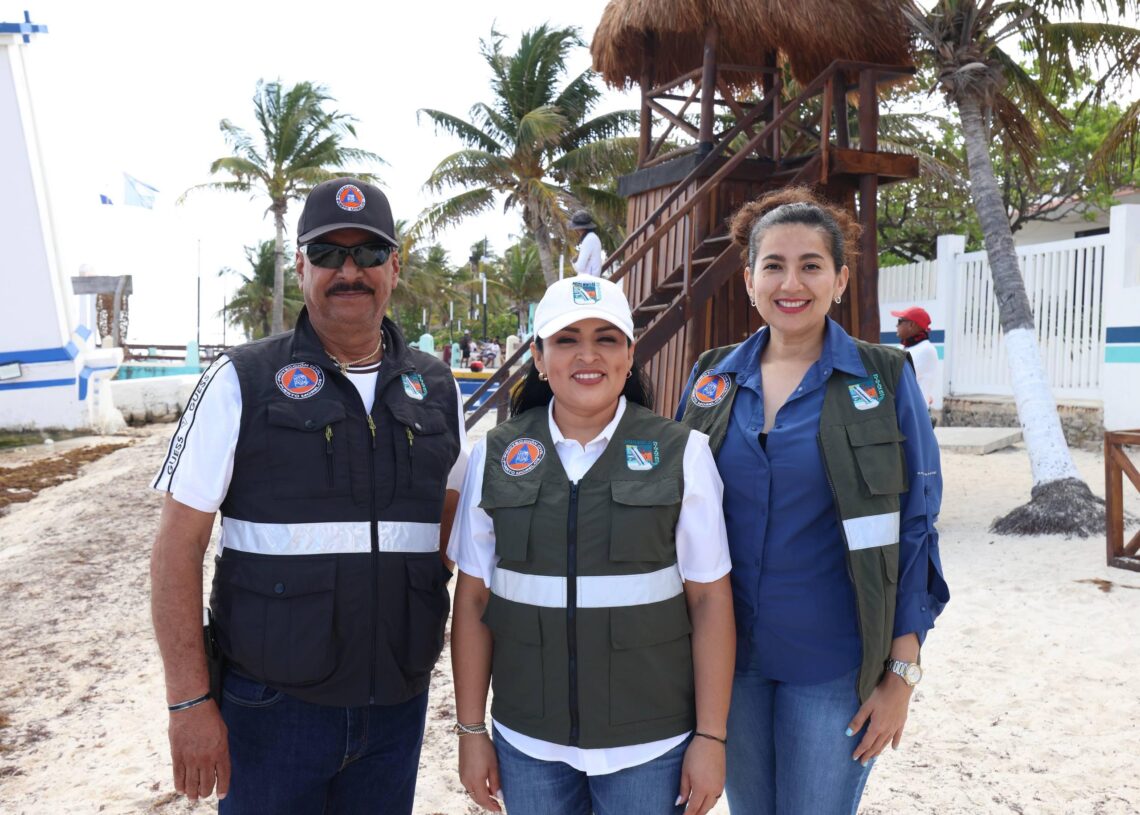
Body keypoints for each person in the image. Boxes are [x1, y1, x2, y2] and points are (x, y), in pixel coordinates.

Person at [150, 177, 469, 813]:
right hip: (270, 708)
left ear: (395, 267)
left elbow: (448, 525)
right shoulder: (241, 379)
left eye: (368, 253)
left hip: (398, 706)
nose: (349, 271)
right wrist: (188, 702)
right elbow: (176, 549)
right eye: (327, 254)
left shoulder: (437, 387)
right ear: (301, 268)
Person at [676, 188, 949, 814]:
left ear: (840, 279)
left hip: (834, 662)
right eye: (773, 265)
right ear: (749, 279)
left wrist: (902, 674)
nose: (791, 283)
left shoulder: (884, 378)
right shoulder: (712, 377)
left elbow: (915, 527)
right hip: (728, 662)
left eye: (811, 265)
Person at [449, 275, 736, 815]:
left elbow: (709, 600)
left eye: (606, 338)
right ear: (539, 357)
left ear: (630, 354)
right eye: (566, 339)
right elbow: (473, 599)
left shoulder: (684, 453)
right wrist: (470, 730)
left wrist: (711, 737)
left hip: (650, 744)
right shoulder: (495, 455)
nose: (588, 355)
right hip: (528, 743)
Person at [891, 306, 941, 417]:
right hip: (903, 410)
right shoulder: (902, 347)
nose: (896, 325)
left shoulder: (926, 349)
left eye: (900, 321)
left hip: (916, 413)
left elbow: (897, 376)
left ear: (911, 325)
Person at [570, 209, 603, 277]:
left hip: (587, 281)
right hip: (591, 279)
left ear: (578, 228)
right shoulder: (592, 237)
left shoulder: (589, 239)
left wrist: (573, 261)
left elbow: (579, 267)